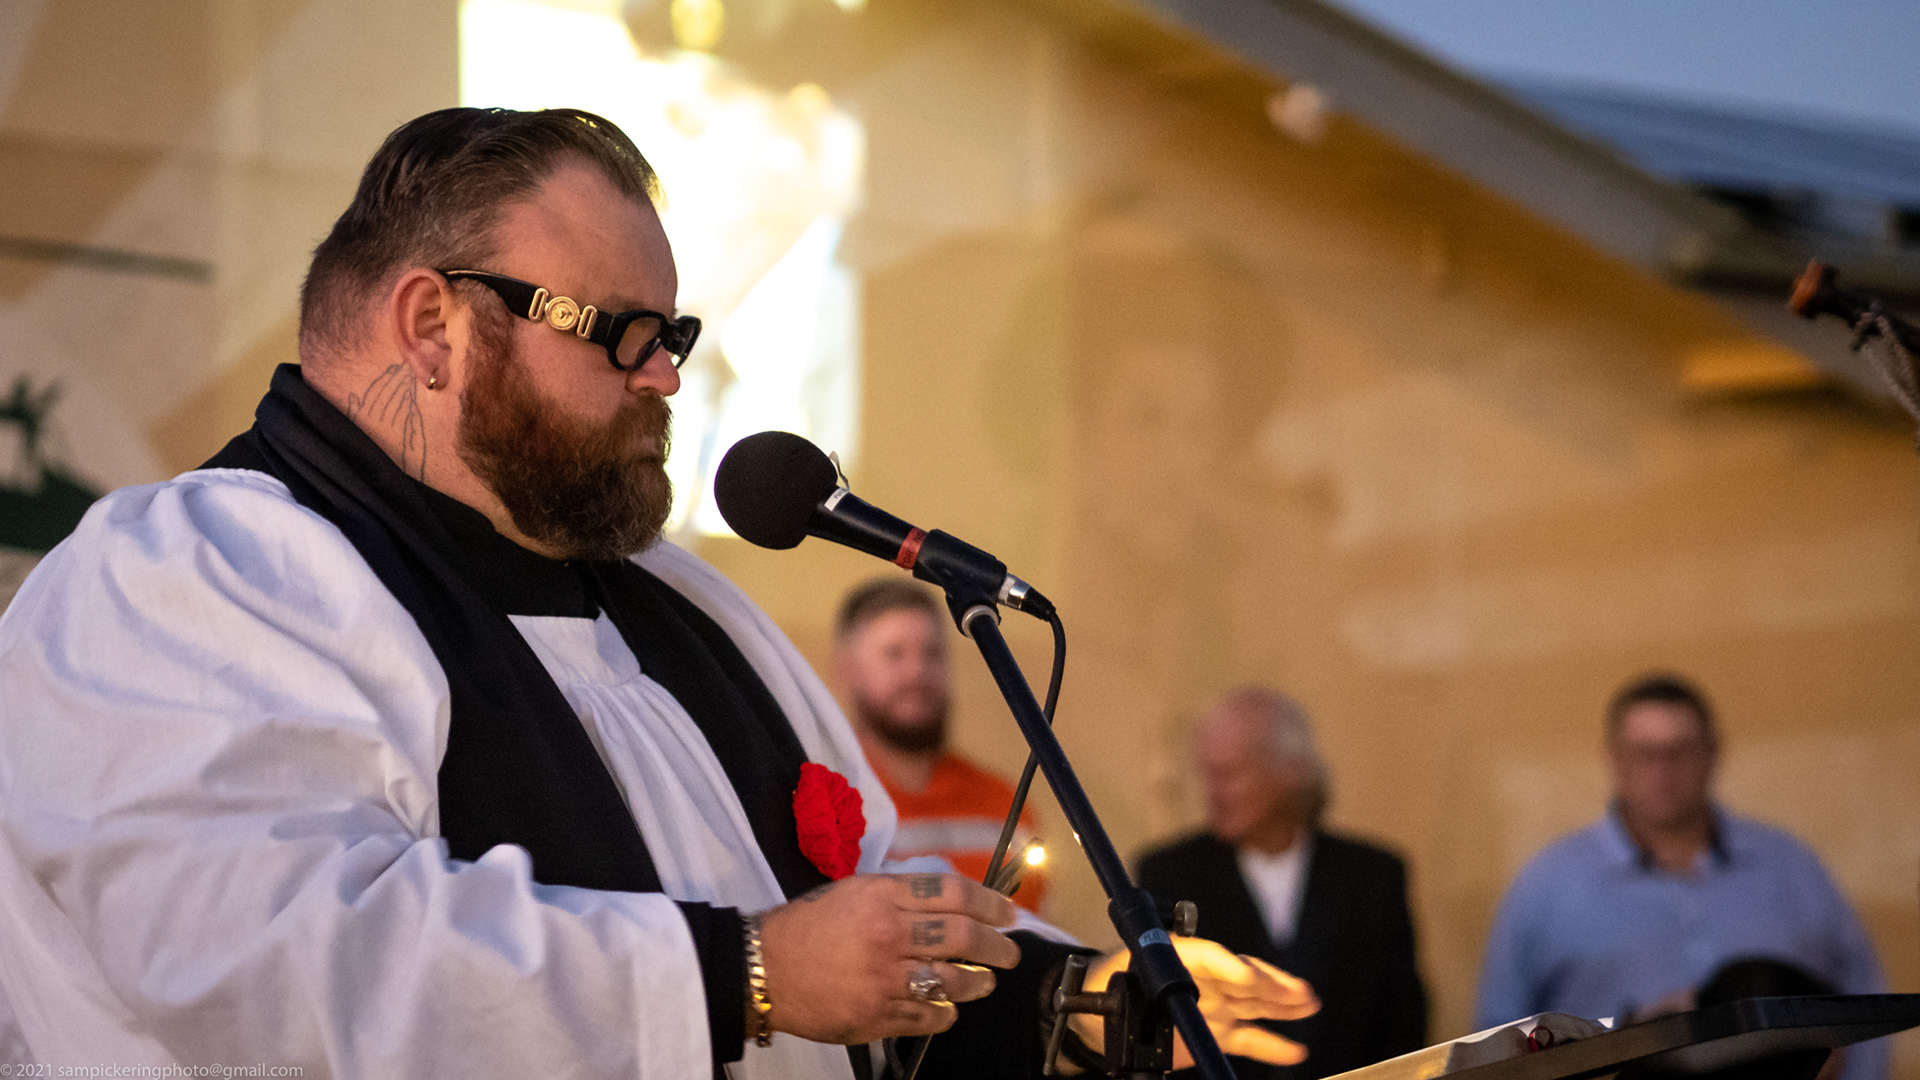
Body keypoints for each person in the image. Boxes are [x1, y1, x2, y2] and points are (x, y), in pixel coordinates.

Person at [0, 106, 1317, 1079]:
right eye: (623, 333)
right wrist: (743, 973)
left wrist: (1076, 997)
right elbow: (288, 970)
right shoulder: (188, 577)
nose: (668, 379)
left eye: (675, 336)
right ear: (432, 326)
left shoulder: (682, 606)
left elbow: (854, 899)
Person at [1476, 674, 1886, 1080]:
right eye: (1644, 753)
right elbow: (1499, 1043)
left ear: (1712, 753)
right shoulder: (1548, 885)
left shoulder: (1790, 867)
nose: (1663, 768)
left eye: (1680, 750)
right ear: (1613, 760)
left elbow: (1866, 1005)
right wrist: (1631, 1038)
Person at [1136, 688, 1428, 1080]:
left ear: (1291, 770)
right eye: (1207, 775)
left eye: (1229, 774)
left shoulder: (1372, 877)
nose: (1213, 794)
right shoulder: (1169, 875)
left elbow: (1402, 1023)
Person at [832, 577, 1048, 913]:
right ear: (848, 671)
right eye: (894, 654)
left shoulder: (1003, 805)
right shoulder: (824, 802)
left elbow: (1028, 930)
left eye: (932, 653)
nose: (917, 672)